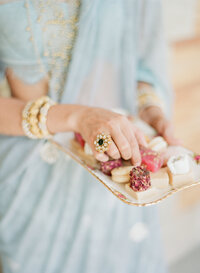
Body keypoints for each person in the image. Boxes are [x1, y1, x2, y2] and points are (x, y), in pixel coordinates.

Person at [0, 0, 179, 272]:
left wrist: (150, 110)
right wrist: (78, 117)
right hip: (30, 183)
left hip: (116, 174)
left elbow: (142, 60)